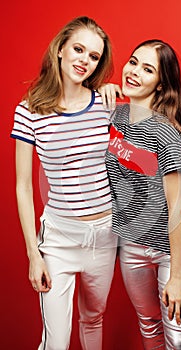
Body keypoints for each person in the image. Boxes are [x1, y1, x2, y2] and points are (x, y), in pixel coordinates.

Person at [11, 16, 118, 350]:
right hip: (58, 239)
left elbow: (141, 153)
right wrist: (34, 253)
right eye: (78, 49)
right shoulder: (28, 111)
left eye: (94, 56)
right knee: (56, 341)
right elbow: (24, 187)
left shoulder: (106, 103)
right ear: (60, 49)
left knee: (93, 319)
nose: (84, 60)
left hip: (104, 236)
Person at [103, 40, 181, 349]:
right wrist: (100, 94)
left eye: (147, 69)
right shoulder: (113, 117)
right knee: (149, 329)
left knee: (178, 339)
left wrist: (176, 277)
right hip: (131, 245)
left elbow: (176, 209)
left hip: (173, 251)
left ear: (161, 86)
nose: (133, 72)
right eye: (133, 62)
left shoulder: (166, 133)